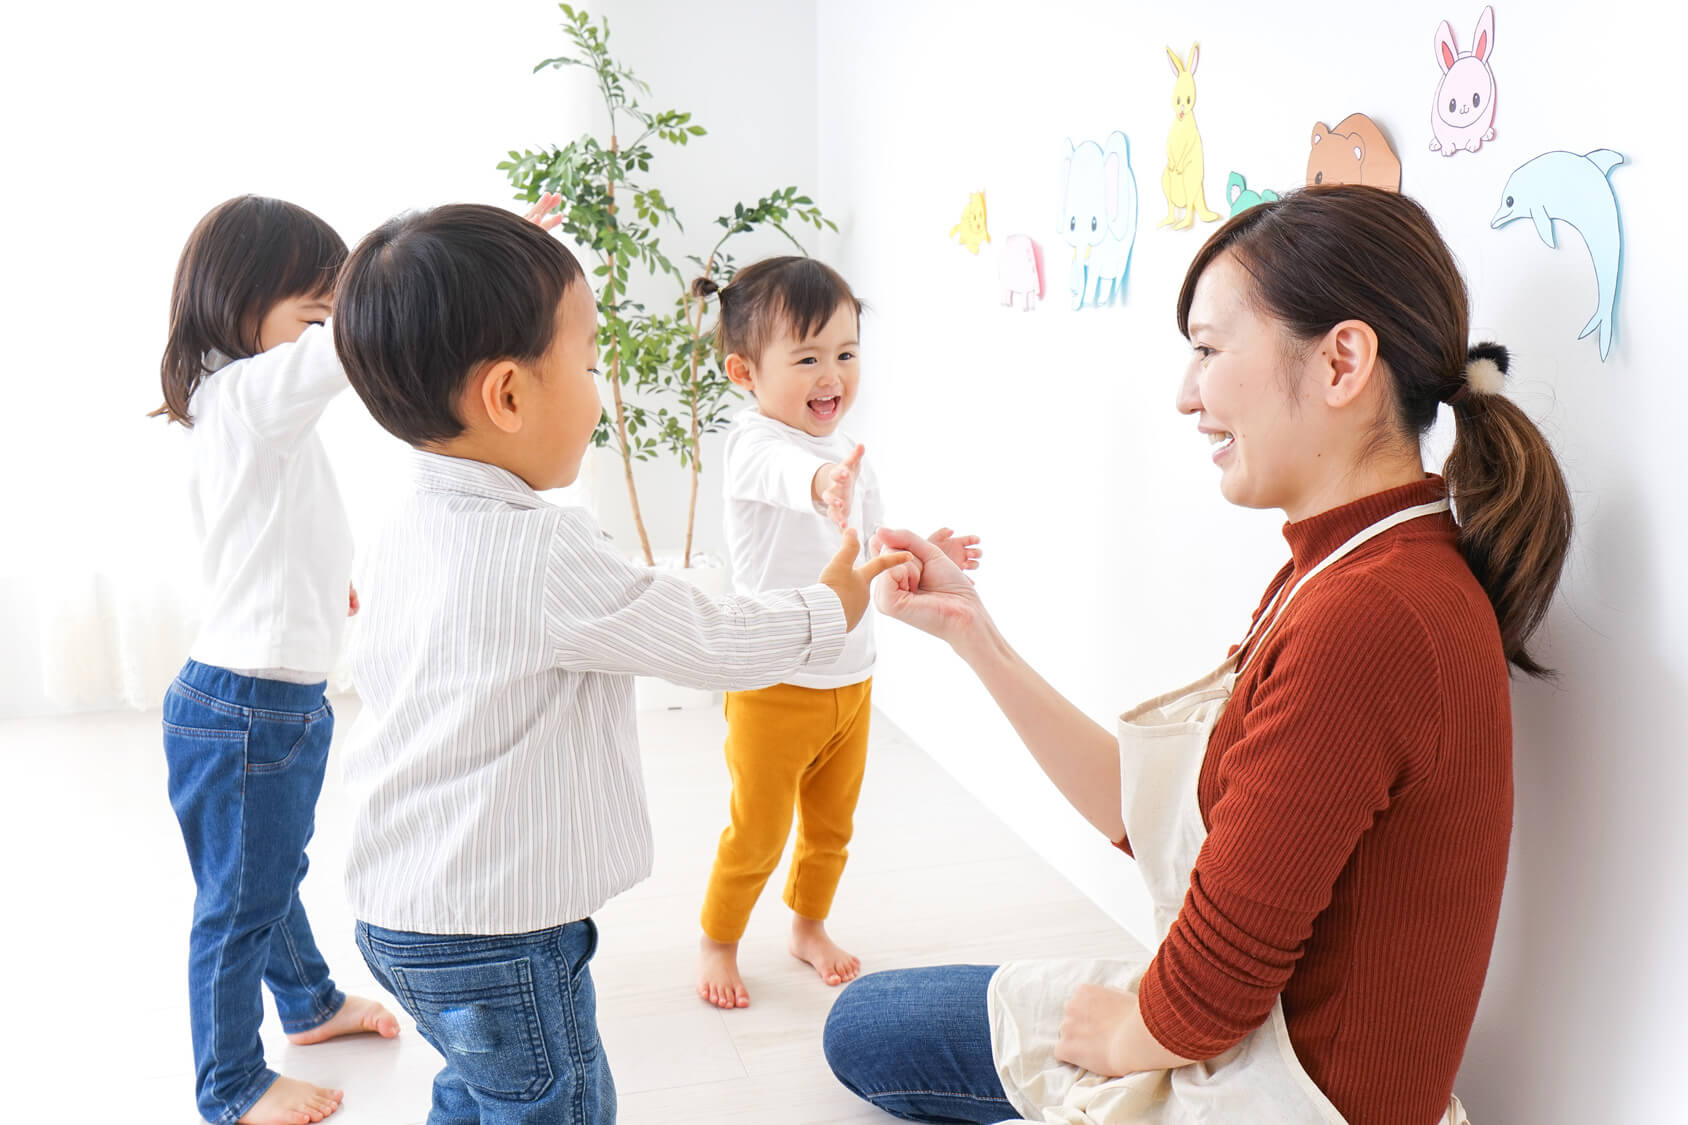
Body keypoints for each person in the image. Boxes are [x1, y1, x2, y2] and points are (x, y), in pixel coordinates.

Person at [823, 185, 1572, 1125]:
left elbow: (1210, 998)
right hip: (1261, 1039)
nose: (1187, 394)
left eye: (1210, 350)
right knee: (869, 1022)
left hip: (1284, 1089)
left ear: (1342, 360)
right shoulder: (1360, 564)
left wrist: (1120, 1037)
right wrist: (973, 630)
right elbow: (1155, 814)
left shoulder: (1369, 618)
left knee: (865, 1028)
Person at [329, 203, 910, 1123]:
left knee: (480, 1082)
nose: (603, 387)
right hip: (499, 929)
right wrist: (829, 606)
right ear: (510, 397)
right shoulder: (543, 555)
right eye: (592, 361)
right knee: (558, 1102)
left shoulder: (404, 520)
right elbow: (705, 636)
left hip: (399, 906)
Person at [154, 195, 404, 1125]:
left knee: (263, 874)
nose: (336, 310)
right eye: (320, 293)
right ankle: (230, 1086)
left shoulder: (237, 404)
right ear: (242, 293)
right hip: (251, 706)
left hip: (248, 698)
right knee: (239, 904)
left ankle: (309, 1004)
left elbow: (260, 535)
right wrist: (444, 261)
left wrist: (318, 582)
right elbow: (338, 354)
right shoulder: (256, 396)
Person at [691, 257, 982, 1009]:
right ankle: (717, 938)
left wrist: (921, 556)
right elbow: (796, 479)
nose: (834, 375)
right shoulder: (756, 444)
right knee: (756, 830)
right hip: (774, 684)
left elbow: (869, 564)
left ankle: (807, 925)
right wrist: (824, 486)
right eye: (809, 356)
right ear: (744, 372)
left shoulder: (852, 454)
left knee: (831, 826)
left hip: (850, 679)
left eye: (847, 353)